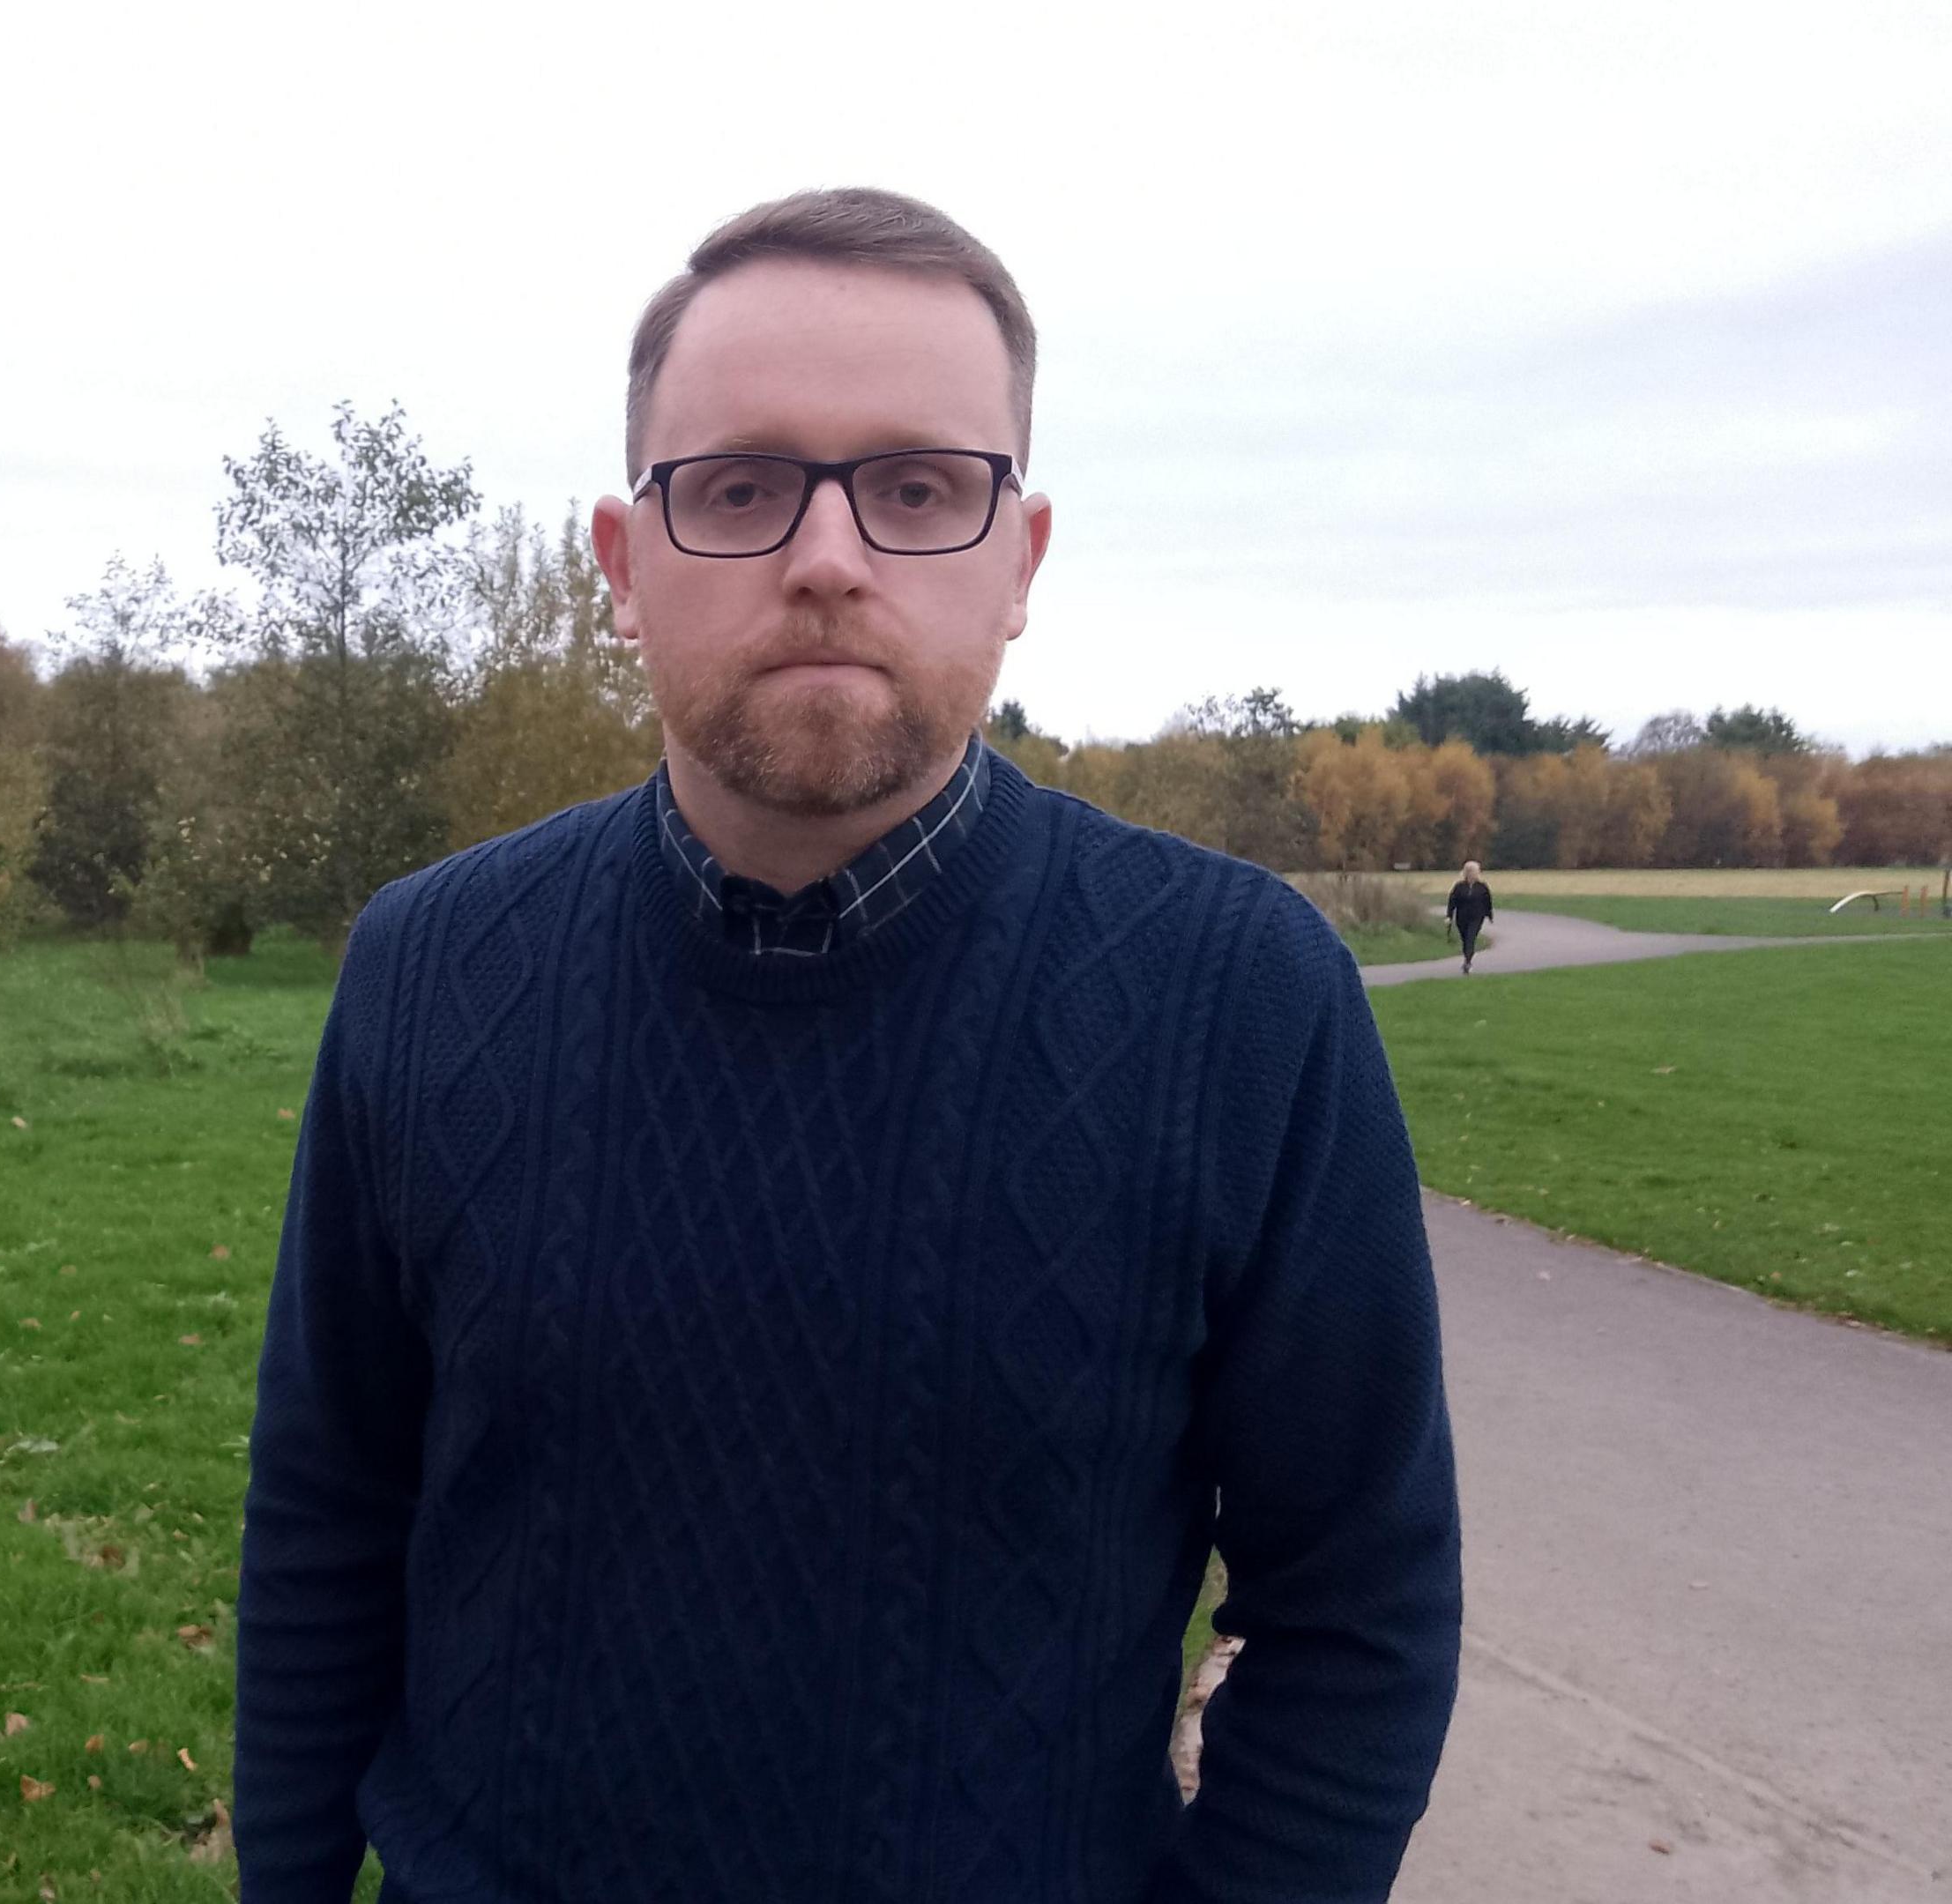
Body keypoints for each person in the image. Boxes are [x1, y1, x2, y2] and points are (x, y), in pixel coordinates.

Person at [235, 189, 1460, 1904]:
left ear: (1019, 560)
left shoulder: (1242, 1001)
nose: (828, 557)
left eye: (917, 488)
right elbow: (326, 1521)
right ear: (622, 564)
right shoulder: (430, 969)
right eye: (737, 488)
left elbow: (1359, 1611)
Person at [1446, 859, 1494, 972]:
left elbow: (1487, 901)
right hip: (1462, 918)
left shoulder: (1482, 887)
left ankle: (1467, 962)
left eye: (1476, 871)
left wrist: (1490, 915)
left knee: (1471, 939)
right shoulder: (1459, 887)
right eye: (1472, 871)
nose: (1475, 874)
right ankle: (1467, 957)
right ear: (1467, 872)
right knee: (1465, 940)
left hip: (1477, 917)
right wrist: (1449, 915)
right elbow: (1452, 901)